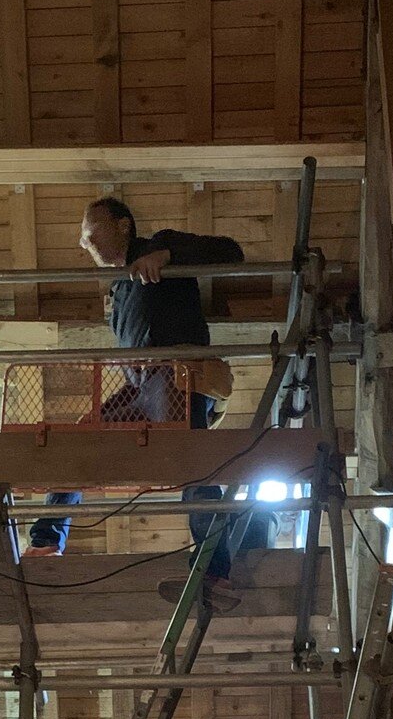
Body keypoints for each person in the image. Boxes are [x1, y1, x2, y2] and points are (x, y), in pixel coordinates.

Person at [25, 198, 253, 612]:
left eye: (90, 231)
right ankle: (45, 544)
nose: (84, 241)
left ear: (123, 225)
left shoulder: (159, 248)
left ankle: (214, 570)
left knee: (193, 469)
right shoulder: (119, 292)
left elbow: (230, 252)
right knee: (76, 441)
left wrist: (166, 255)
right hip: (141, 387)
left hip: (179, 375)